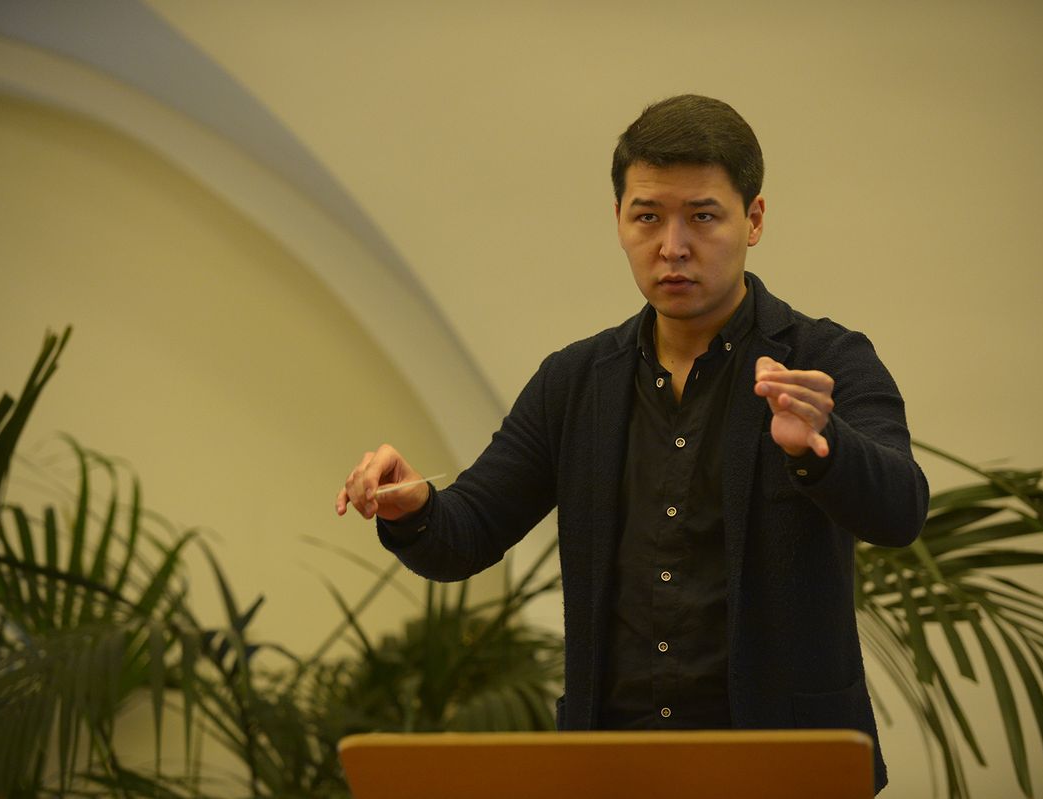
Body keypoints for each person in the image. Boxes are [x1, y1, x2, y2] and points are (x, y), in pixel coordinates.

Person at [335, 94, 928, 795]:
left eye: (702, 216)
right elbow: (467, 532)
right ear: (618, 219)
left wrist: (818, 447)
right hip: (610, 766)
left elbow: (901, 510)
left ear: (754, 219)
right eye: (647, 217)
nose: (672, 246)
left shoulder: (825, 359)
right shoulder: (576, 381)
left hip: (783, 766)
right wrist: (413, 506)